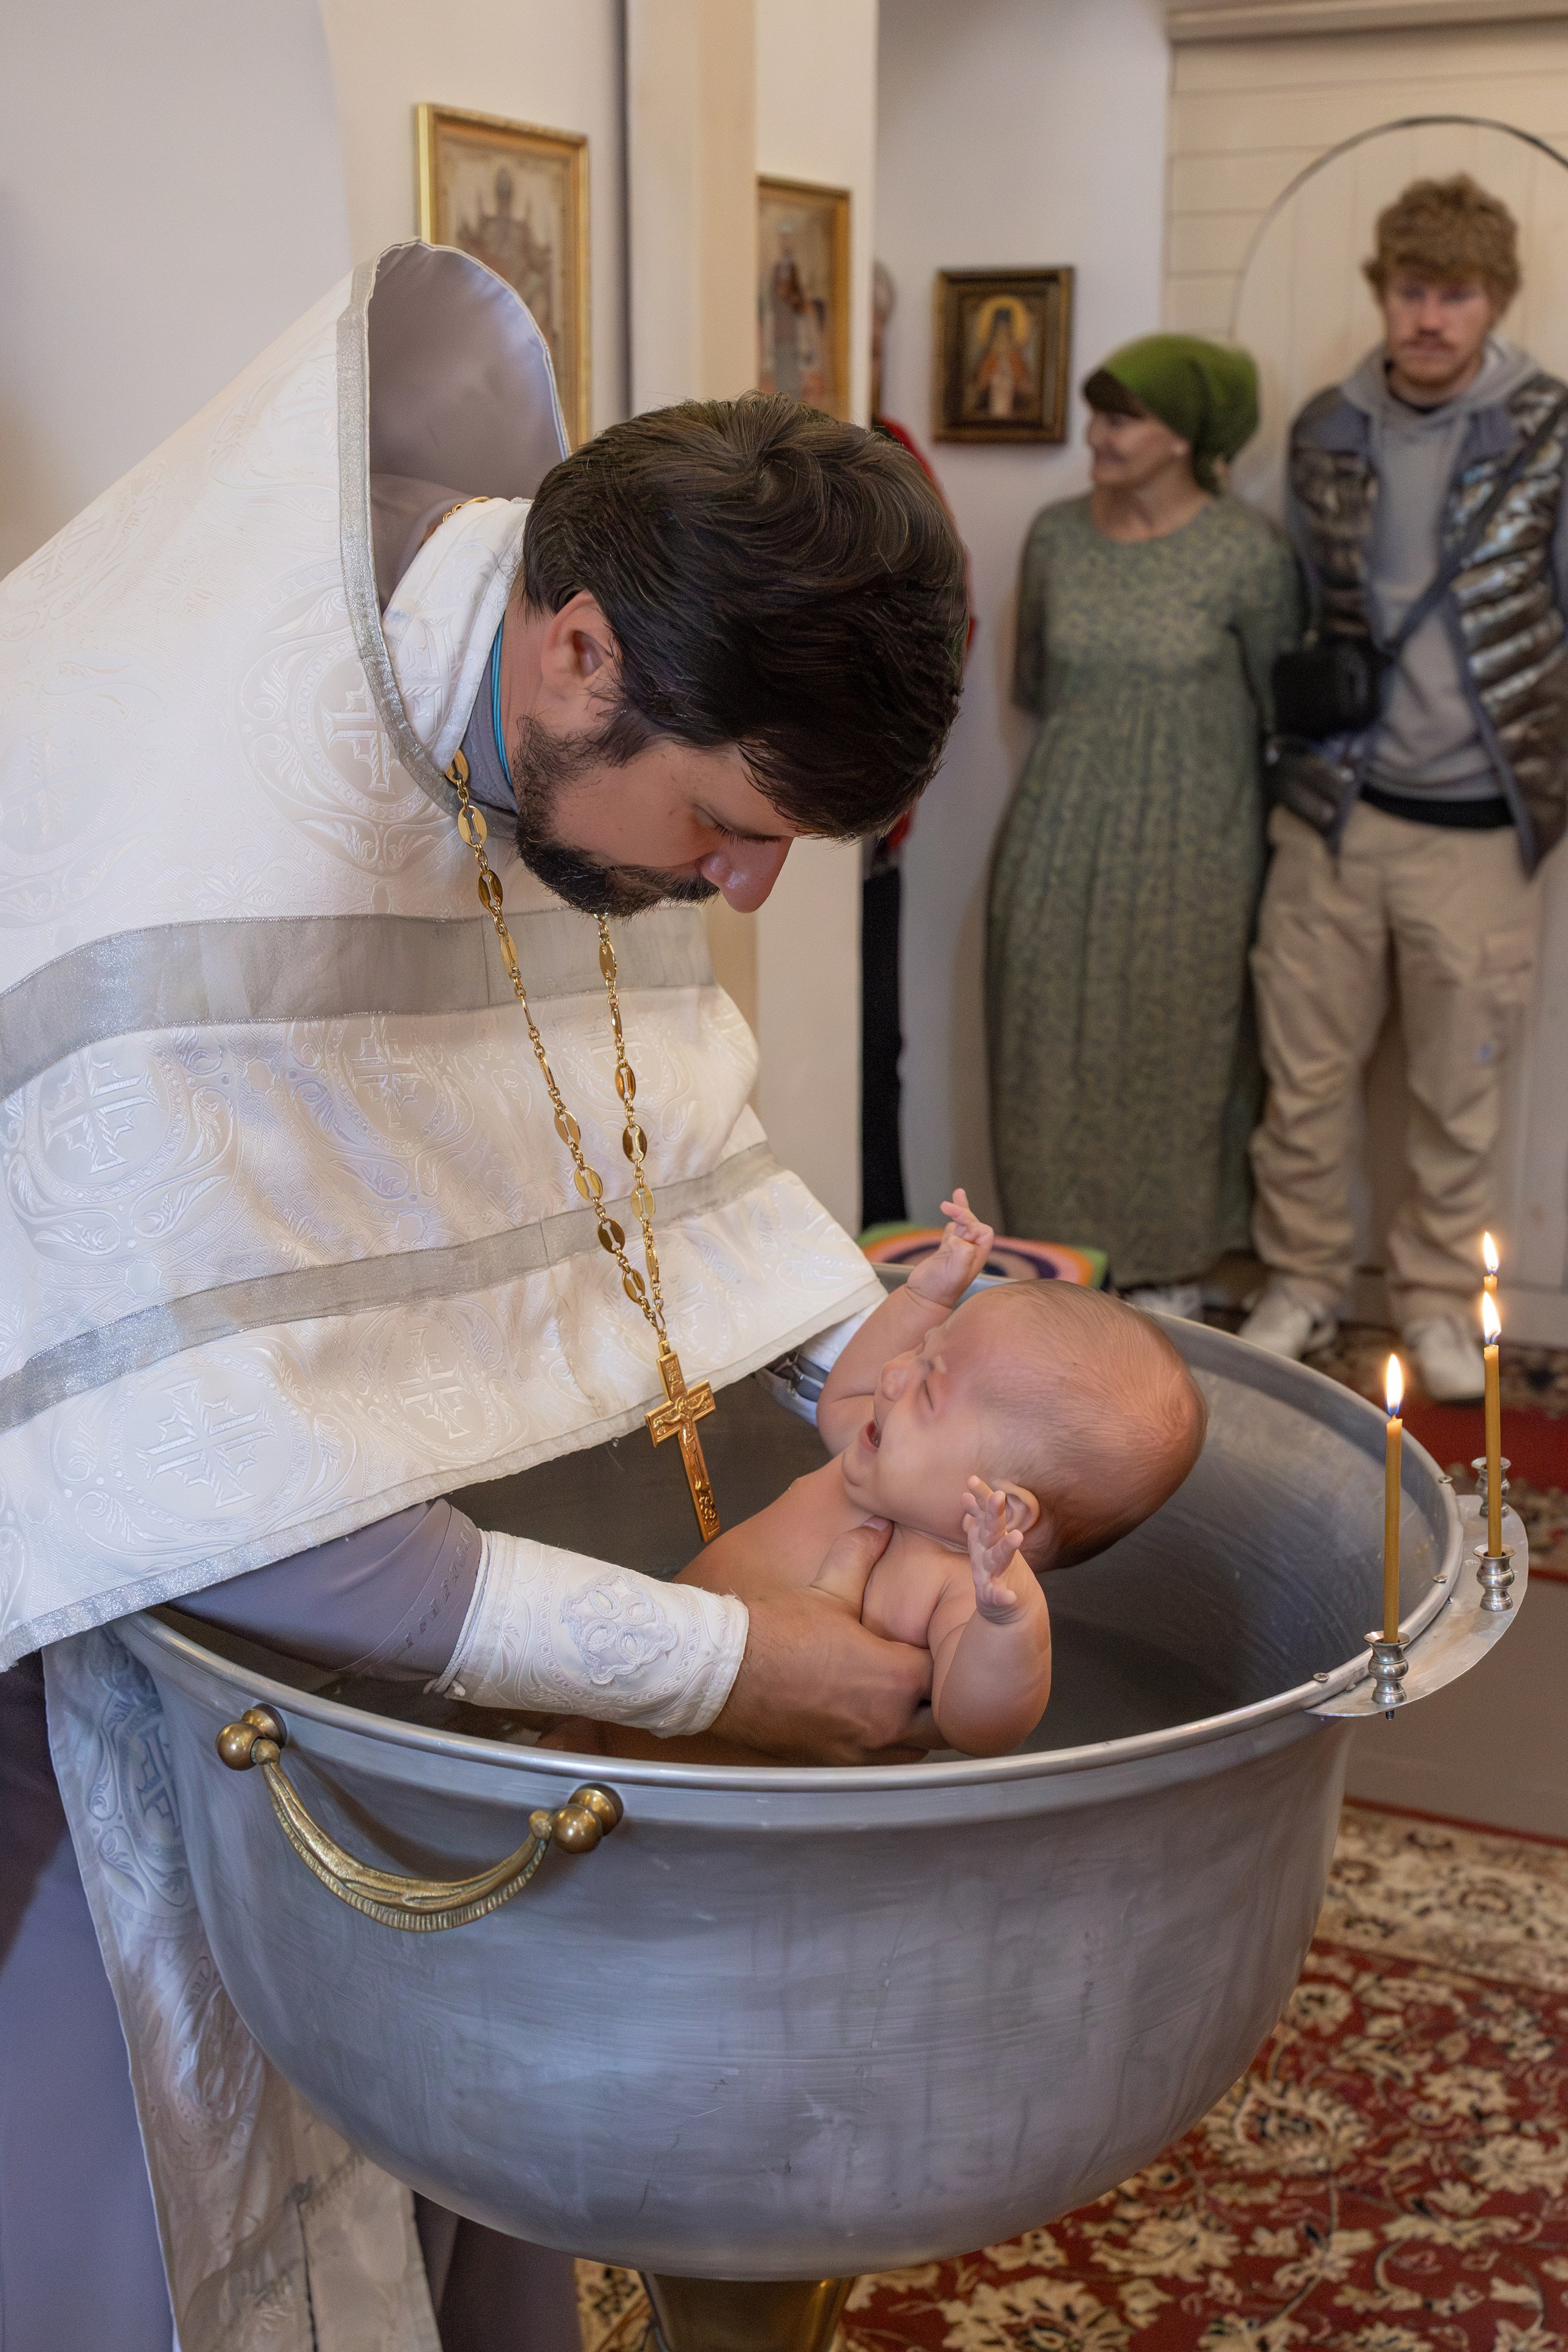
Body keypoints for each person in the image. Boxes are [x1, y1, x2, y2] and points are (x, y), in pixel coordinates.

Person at [0, 242, 966, 2352]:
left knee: (466, 2143)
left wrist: (863, 1344)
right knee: (154, 2199)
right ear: (584, 653)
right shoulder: (212, 841)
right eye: (730, 826)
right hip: (88, 1666)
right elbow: (241, 1506)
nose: (744, 891)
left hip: (364, 1615)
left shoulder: (531, 701)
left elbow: (611, 1149)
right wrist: (724, 1672)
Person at [1242, 176, 1567, 1399]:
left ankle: (1435, 1305)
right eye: (1411, 291)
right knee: (1302, 1076)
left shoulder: (1546, 428)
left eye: (1456, 294)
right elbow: (1304, 604)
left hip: (1479, 828)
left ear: (1493, 301)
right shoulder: (1327, 425)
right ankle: (1300, 1282)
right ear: (1381, 292)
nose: (1430, 318)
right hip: (1331, 809)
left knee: (1456, 1091)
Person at [548, 1189, 1206, 1762]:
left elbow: (976, 1728)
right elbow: (844, 1391)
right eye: (922, 1353)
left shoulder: (952, 1587)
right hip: (643, 1703)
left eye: (926, 1389)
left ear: (1004, 1507)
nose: (893, 1376)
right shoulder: (868, 1465)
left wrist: (1007, 1627)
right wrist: (923, 1298)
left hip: (735, 1796)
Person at [988, 335, 1301, 1316]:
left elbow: (1278, 708)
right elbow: (1034, 682)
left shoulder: (1248, 553)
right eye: (1098, 412)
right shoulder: (1054, 537)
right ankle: (1063, 1275)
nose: (1098, 436)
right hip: (1058, 836)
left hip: (1195, 851)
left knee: (1180, 1062)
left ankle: (1169, 1281)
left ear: (1186, 439)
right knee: (1047, 1057)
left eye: (1124, 418)